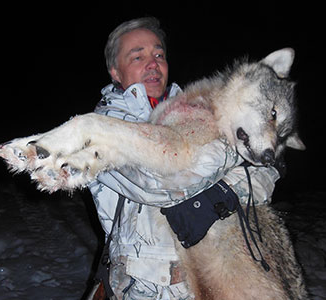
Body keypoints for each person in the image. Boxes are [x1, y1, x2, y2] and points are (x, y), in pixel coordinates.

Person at [88, 17, 280, 300]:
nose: (152, 63)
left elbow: (264, 175)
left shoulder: (197, 109)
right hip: (143, 289)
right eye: (137, 56)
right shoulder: (100, 128)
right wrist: (234, 151)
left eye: (158, 54)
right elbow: (160, 181)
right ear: (115, 72)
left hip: (207, 282)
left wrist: (236, 175)